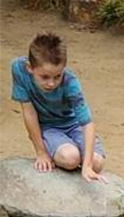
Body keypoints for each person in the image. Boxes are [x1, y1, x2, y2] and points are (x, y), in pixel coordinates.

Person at [10, 33, 105, 182]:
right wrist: (41, 153)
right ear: (30, 67)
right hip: (48, 127)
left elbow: (87, 123)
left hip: (73, 125)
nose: (52, 83)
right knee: (70, 158)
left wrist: (87, 166)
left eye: (57, 76)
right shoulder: (19, 69)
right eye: (45, 77)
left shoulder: (70, 82)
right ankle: (56, 146)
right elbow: (29, 112)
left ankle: (77, 150)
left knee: (96, 163)